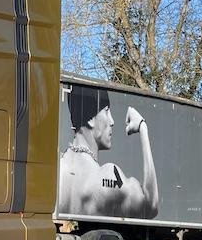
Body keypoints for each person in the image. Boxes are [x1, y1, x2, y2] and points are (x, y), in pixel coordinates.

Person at [58, 84, 159, 219]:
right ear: (91, 119)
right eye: (106, 111)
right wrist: (142, 127)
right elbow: (150, 206)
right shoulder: (108, 175)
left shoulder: (57, 168)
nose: (112, 121)